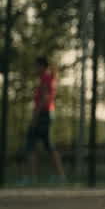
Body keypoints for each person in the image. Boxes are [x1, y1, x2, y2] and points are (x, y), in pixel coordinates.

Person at [18, 56, 66, 186]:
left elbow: (44, 99)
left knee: (30, 144)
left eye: (36, 66)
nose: (35, 68)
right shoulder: (48, 78)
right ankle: (59, 175)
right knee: (47, 146)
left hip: (43, 114)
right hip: (46, 114)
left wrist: (35, 116)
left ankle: (30, 177)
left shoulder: (46, 78)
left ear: (42, 66)